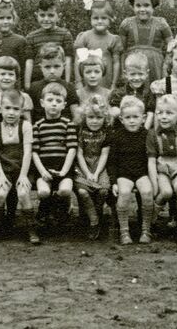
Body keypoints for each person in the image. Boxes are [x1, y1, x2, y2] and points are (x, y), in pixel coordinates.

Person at [0, 90, 39, 244]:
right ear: (0, 108)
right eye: (7, 108)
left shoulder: (26, 126)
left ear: (22, 110)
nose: (11, 112)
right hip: (4, 170)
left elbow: (28, 152)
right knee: (0, 194)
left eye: (16, 109)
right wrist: (0, 176)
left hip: (22, 169)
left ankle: (31, 229)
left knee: (23, 193)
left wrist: (23, 175)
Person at [32, 82, 79, 237]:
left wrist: (64, 171)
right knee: (43, 192)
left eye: (58, 101)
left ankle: (59, 210)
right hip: (44, 169)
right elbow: (34, 152)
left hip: (63, 168)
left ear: (64, 105)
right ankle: (45, 211)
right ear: (42, 103)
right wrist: (42, 172)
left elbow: (72, 149)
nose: (54, 104)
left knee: (65, 190)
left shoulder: (68, 124)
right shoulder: (37, 125)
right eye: (50, 100)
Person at [106, 96, 154, 244]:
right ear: (121, 119)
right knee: (124, 192)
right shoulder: (117, 136)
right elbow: (112, 162)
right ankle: (124, 231)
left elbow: (151, 159)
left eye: (135, 117)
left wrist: (152, 178)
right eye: (128, 117)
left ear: (143, 118)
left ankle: (146, 229)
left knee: (147, 192)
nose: (132, 121)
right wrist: (114, 182)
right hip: (124, 173)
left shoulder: (147, 135)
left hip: (141, 172)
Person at [147, 94, 177, 243]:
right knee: (166, 192)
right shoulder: (153, 134)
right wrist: (154, 183)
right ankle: (151, 222)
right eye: (160, 113)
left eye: (169, 113)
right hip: (162, 169)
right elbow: (151, 161)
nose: (164, 117)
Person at [74, 96, 111, 240]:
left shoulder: (106, 132)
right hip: (83, 165)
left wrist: (96, 173)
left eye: (99, 117)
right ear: (84, 117)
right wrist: (88, 173)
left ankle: (97, 214)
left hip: (99, 165)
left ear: (104, 118)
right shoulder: (80, 131)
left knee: (103, 191)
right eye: (90, 117)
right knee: (83, 191)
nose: (94, 121)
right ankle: (94, 221)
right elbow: (79, 154)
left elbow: (104, 154)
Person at [118, 0, 173, 81]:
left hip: (155, 67)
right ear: (133, 6)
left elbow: (171, 46)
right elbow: (121, 50)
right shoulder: (126, 24)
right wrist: (122, 70)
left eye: (146, 5)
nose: (142, 9)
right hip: (133, 68)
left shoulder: (161, 24)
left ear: (153, 6)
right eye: (138, 6)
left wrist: (165, 66)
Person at [24, 0, 75, 88]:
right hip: (38, 80)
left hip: (59, 80)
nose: (46, 19)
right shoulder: (31, 37)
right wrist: (27, 85)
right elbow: (29, 62)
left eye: (51, 15)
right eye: (42, 15)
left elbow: (68, 60)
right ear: (36, 16)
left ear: (59, 16)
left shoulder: (65, 35)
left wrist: (67, 83)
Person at [75, 0, 122, 89]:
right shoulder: (85, 37)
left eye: (104, 18)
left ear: (110, 19)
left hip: (106, 81)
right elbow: (77, 60)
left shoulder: (113, 39)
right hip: (87, 79)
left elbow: (116, 63)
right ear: (90, 19)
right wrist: (78, 81)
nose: (99, 21)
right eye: (96, 18)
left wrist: (114, 84)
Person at [27, 44, 79, 121]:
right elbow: (30, 117)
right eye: (47, 67)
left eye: (56, 66)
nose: (52, 71)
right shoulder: (34, 88)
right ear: (41, 67)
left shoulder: (69, 87)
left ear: (64, 66)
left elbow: (76, 116)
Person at [108, 52, 155, 129]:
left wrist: (144, 132)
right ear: (125, 74)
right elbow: (113, 112)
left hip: (141, 130)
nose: (136, 78)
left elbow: (150, 114)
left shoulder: (148, 93)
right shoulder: (119, 93)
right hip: (121, 130)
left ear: (147, 73)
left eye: (140, 74)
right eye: (133, 74)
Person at [0, 56, 33, 123]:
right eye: (2, 74)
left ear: (16, 78)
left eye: (11, 74)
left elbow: (28, 122)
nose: (6, 77)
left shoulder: (23, 97)